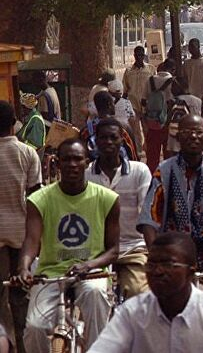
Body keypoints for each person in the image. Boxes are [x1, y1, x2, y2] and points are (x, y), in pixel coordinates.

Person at [15, 139, 120, 353]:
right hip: (50, 273)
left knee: (96, 297)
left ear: (87, 162)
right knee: (34, 327)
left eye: (78, 159)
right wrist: (24, 268)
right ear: (57, 163)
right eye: (66, 159)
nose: (72, 164)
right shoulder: (39, 199)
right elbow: (31, 241)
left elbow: (114, 251)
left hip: (91, 274)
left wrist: (89, 265)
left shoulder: (107, 198)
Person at [88, 232, 203, 353]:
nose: (157, 271)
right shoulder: (131, 314)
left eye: (168, 265)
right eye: (152, 265)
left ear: (191, 271)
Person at [138, 114, 203, 271]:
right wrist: (156, 258)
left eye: (199, 132)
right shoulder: (164, 171)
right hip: (174, 257)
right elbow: (148, 220)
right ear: (177, 137)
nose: (193, 136)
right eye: (186, 132)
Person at [85, 118, 153, 299]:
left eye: (113, 137)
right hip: (97, 250)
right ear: (96, 141)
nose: (108, 142)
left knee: (139, 294)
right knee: (93, 295)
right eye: (103, 138)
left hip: (133, 248)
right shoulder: (86, 175)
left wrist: (153, 254)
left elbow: (146, 216)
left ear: (121, 140)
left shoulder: (140, 171)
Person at [0, 101, 41, 352]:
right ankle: (23, 346)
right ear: (14, 122)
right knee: (20, 296)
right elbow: (36, 198)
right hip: (22, 236)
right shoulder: (27, 153)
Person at [81, 91, 139, 161]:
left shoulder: (87, 130)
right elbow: (133, 155)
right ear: (109, 104)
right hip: (120, 169)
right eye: (113, 103)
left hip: (96, 170)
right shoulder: (123, 126)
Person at [123, 46, 155, 152]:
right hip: (133, 106)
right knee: (135, 131)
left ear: (143, 55)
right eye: (137, 55)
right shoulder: (128, 71)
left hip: (147, 106)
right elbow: (125, 89)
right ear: (134, 56)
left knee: (148, 130)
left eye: (141, 55)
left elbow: (154, 87)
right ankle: (138, 152)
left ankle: (149, 150)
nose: (139, 57)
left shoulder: (150, 69)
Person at [143, 66, 175, 169]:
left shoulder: (150, 80)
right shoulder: (173, 81)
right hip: (167, 122)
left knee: (152, 156)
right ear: (172, 70)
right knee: (168, 156)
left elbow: (143, 101)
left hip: (152, 122)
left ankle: (152, 178)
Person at [181, 38, 203, 134]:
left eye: (193, 47)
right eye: (190, 48)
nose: (191, 50)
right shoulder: (187, 63)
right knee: (192, 124)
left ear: (198, 47)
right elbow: (184, 80)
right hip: (191, 99)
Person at [164, 79, 203, 158]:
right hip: (193, 133)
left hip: (176, 135)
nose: (171, 90)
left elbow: (168, 120)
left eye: (173, 87)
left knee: (175, 159)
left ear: (178, 88)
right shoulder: (198, 100)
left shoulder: (173, 101)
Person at [108, 80, 142, 154]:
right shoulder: (126, 103)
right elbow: (132, 118)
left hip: (110, 128)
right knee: (132, 147)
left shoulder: (107, 102)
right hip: (125, 129)